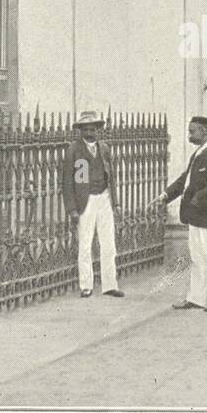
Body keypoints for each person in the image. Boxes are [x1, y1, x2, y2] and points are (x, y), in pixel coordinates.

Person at [154, 116, 207, 313]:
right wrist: (165, 195)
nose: (189, 135)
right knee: (197, 257)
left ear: (204, 131)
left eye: (192, 131)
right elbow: (184, 181)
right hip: (196, 215)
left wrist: (199, 197)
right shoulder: (199, 153)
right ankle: (197, 298)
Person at [62, 110, 123, 299]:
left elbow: (111, 177)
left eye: (93, 129)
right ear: (80, 131)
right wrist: (72, 208)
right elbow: (68, 182)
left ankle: (110, 284)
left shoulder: (104, 148)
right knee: (86, 243)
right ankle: (86, 285)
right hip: (85, 200)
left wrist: (116, 202)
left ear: (99, 130)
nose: (90, 133)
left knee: (108, 243)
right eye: (86, 129)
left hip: (104, 198)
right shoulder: (74, 150)